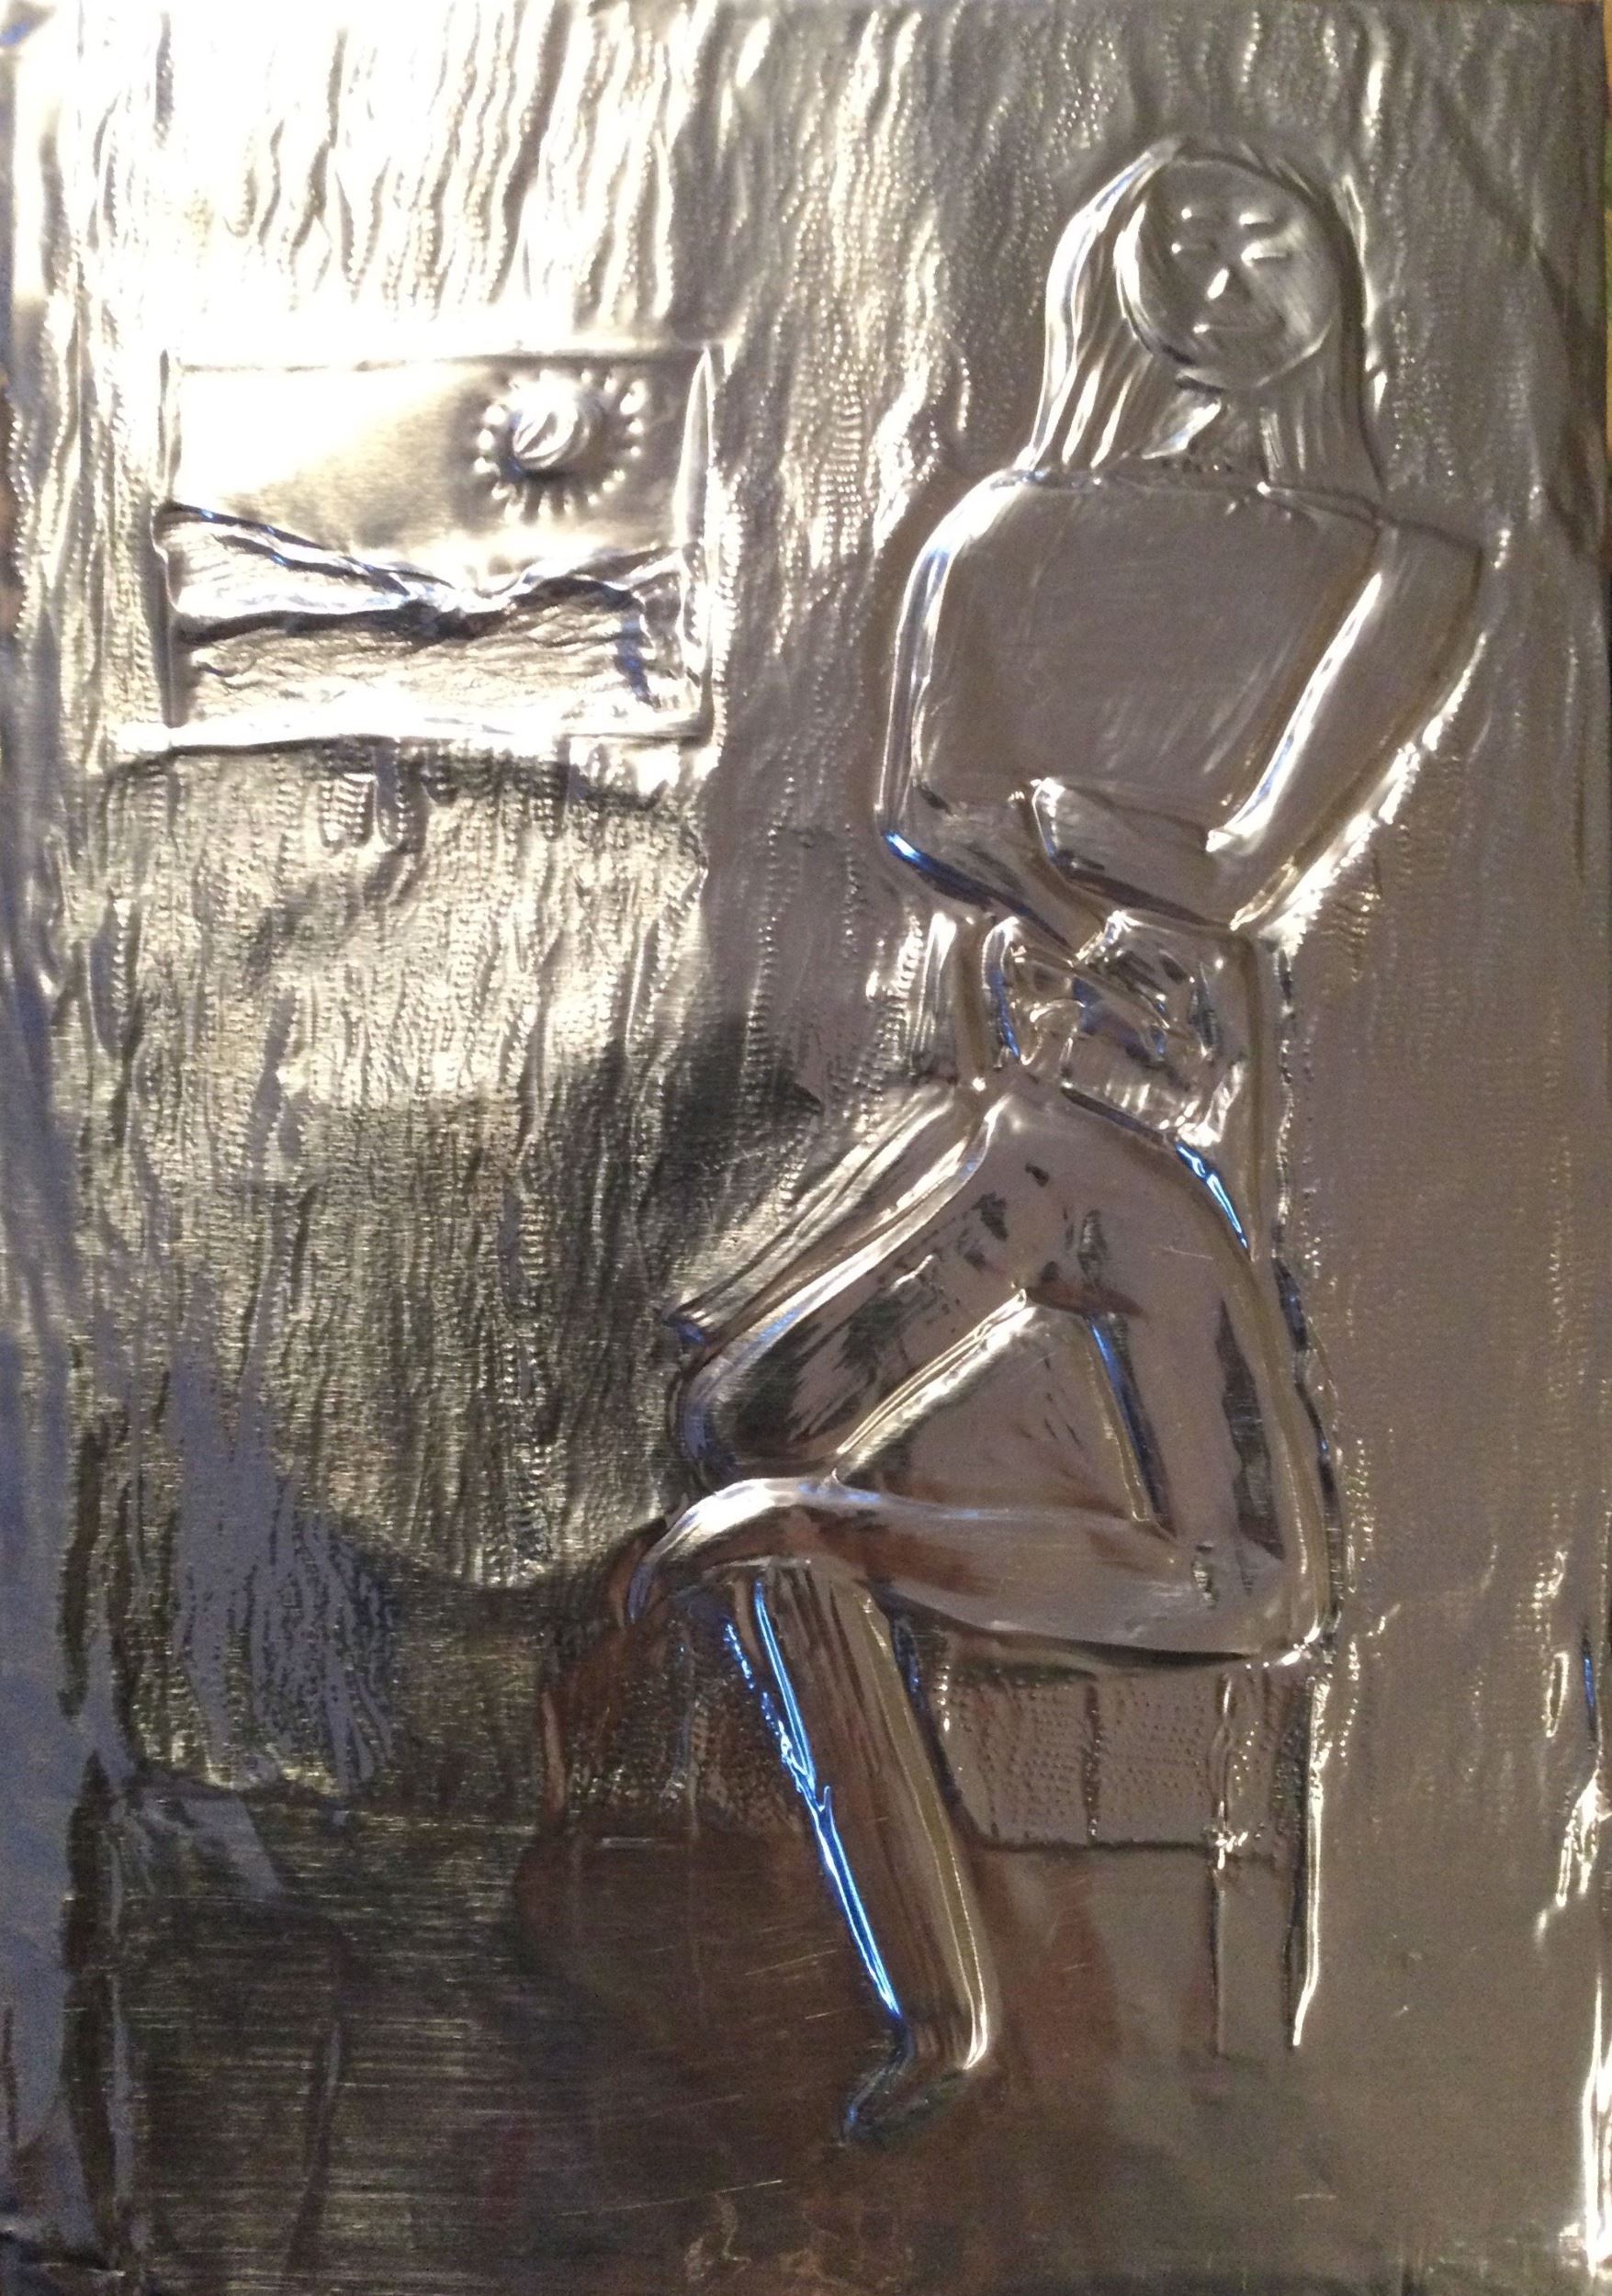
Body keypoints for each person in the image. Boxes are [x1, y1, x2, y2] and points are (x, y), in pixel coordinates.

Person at [630, 138, 1479, 2141]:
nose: (1219, 270)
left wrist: (1061, 846)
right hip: (1050, 1118)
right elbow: (928, 803)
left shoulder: (1401, 570)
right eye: (1177, 231)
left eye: (1264, 232)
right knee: (744, 1445)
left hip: (1177, 1142)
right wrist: (1082, 882)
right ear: (1105, 270)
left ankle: (935, 1946)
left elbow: (1248, 857)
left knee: (812, 1500)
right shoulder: (997, 530)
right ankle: (935, 1995)